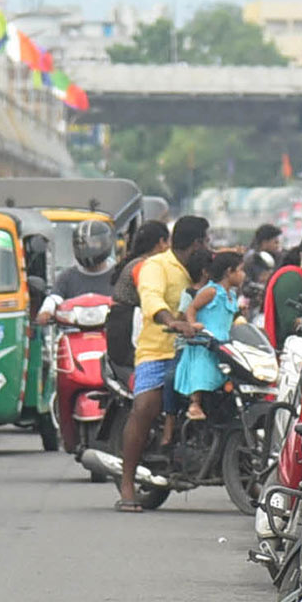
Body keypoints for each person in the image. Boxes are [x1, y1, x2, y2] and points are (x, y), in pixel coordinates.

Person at [119, 216, 210, 513]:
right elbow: (151, 299)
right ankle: (128, 482)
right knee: (145, 406)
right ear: (196, 242)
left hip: (197, 350)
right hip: (158, 351)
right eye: (205, 240)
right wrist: (173, 322)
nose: (207, 246)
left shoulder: (200, 269)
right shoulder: (156, 266)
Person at [175, 251, 243, 422]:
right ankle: (194, 403)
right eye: (240, 270)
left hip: (224, 342)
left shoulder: (232, 296)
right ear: (229, 272)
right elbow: (191, 308)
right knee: (203, 367)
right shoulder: (211, 291)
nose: (244, 275)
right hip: (205, 341)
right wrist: (192, 324)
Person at [106, 221, 170, 368]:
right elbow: (149, 296)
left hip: (121, 324)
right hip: (128, 327)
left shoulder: (138, 262)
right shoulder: (144, 266)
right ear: (161, 242)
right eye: (168, 242)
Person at [35, 219, 117, 324]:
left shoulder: (119, 274)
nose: (88, 248)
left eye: (94, 243)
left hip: (111, 332)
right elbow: (55, 297)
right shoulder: (67, 276)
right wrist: (46, 310)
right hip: (73, 332)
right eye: (82, 244)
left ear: (105, 243)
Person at [242, 223, 282, 287]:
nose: (278, 246)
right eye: (275, 242)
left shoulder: (279, 258)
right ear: (264, 243)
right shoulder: (250, 261)